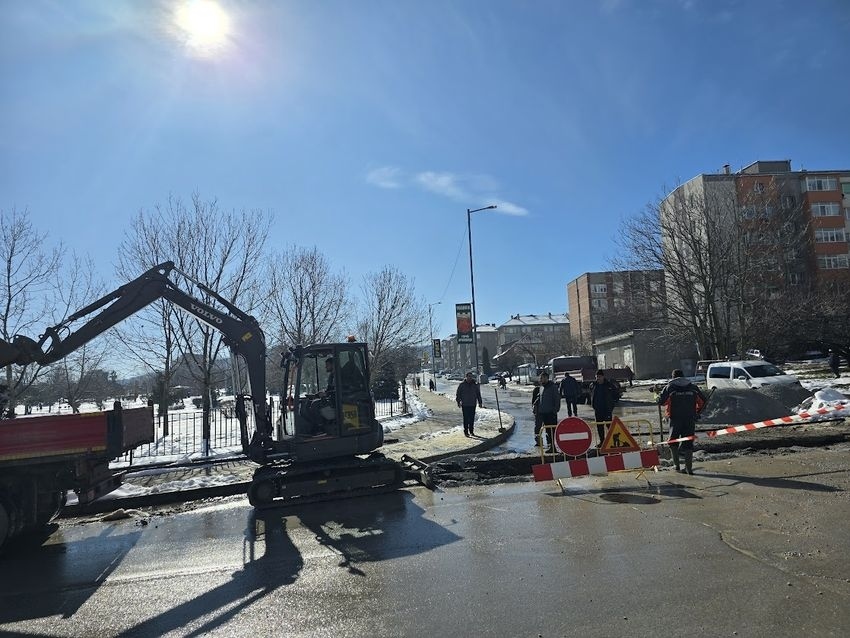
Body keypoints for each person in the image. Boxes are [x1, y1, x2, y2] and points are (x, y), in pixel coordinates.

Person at [657, 369, 707, 475]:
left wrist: (657, 395)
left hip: (675, 419)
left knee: (673, 442)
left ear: (673, 377)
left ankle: (677, 466)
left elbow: (661, 401)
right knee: (688, 443)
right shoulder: (693, 387)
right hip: (690, 419)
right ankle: (689, 469)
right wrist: (697, 412)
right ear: (683, 376)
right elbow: (703, 402)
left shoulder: (670, 387)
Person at [590, 370, 618, 446]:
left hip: (607, 410)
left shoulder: (608, 385)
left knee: (609, 426)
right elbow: (592, 395)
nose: (597, 378)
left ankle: (613, 441)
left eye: (599, 377)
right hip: (598, 410)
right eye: (596, 377)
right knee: (599, 426)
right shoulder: (593, 385)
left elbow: (616, 394)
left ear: (603, 376)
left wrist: (612, 404)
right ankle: (602, 441)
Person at [535, 371, 560, 451]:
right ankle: (551, 446)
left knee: (552, 431)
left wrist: (555, 410)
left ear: (546, 378)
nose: (540, 380)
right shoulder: (541, 388)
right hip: (544, 413)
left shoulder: (552, 387)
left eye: (542, 378)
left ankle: (553, 447)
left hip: (551, 413)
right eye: (540, 378)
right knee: (548, 431)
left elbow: (557, 399)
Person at [456, 371, 483, 437]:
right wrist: (458, 402)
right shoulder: (462, 385)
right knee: (466, 418)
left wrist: (480, 402)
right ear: (466, 377)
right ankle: (466, 431)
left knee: (471, 418)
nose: (469, 378)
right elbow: (458, 394)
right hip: (465, 404)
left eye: (471, 376)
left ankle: (471, 431)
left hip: (472, 404)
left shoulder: (475, 385)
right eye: (468, 376)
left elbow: (478, 394)